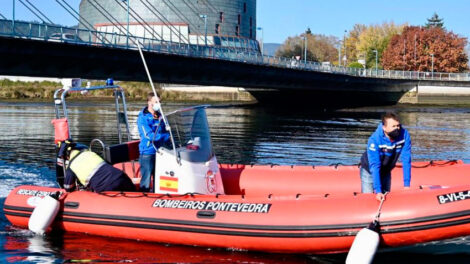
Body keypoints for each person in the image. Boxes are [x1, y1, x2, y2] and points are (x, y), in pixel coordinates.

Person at [360, 112, 411, 201]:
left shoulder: (404, 135)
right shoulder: (374, 140)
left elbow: (406, 159)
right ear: (384, 128)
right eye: (393, 126)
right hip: (369, 170)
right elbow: (375, 166)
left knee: (386, 197)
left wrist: (406, 185)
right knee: (369, 199)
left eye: (398, 126)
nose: (397, 129)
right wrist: (378, 191)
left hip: (386, 170)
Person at [60, 142, 136, 193]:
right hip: (121, 176)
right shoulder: (90, 153)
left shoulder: (71, 166)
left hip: (106, 186)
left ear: (67, 156)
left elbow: (68, 187)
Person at [137, 92, 170, 192]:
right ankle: (144, 196)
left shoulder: (160, 116)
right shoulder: (143, 117)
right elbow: (149, 135)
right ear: (149, 102)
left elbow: (166, 130)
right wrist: (165, 137)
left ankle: (157, 195)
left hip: (160, 151)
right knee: (146, 179)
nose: (158, 105)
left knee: (159, 178)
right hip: (148, 152)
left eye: (159, 102)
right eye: (156, 102)